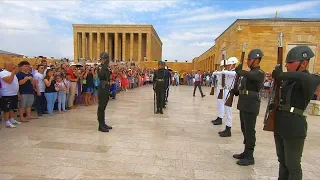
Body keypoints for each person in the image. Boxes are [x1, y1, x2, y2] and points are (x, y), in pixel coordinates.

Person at [271, 46, 320, 180]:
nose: (286, 65)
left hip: (294, 126)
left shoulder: (310, 79)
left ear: (304, 63)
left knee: (293, 165)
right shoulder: (288, 80)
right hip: (281, 123)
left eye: (290, 63)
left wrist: (281, 74)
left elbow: (303, 77)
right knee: (282, 162)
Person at [233, 49, 265, 166]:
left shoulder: (259, 73)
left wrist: (240, 71)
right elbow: (244, 84)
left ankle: (250, 156)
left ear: (256, 60)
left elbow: (249, 75)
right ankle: (246, 152)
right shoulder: (248, 73)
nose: (247, 61)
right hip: (244, 103)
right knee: (244, 128)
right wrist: (236, 91)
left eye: (249, 59)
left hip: (251, 104)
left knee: (250, 130)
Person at [217, 57, 238, 137]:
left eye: (229, 65)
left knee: (228, 111)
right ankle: (226, 128)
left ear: (233, 65)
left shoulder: (235, 72)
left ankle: (228, 129)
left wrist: (224, 71)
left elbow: (230, 73)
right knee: (226, 110)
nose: (228, 66)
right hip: (226, 91)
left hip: (230, 92)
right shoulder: (229, 72)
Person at [97, 52, 113, 132]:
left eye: (105, 59)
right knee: (101, 107)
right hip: (102, 87)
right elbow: (101, 75)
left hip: (106, 87)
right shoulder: (100, 67)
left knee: (104, 107)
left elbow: (109, 77)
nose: (104, 60)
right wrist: (105, 67)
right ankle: (100, 125)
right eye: (103, 59)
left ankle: (103, 123)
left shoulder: (106, 67)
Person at [211, 60, 226, 124]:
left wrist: (216, 73)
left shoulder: (225, 71)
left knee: (221, 104)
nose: (221, 67)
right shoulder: (221, 72)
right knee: (219, 103)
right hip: (219, 87)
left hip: (222, 89)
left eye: (222, 66)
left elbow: (222, 73)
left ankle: (220, 118)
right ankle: (219, 116)